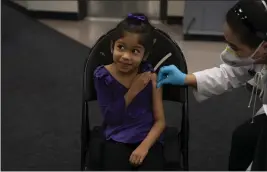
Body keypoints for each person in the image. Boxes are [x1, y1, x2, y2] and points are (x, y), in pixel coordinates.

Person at [157, 0, 267, 170]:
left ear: (264, 47)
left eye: (234, 47)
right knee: (243, 138)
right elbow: (230, 73)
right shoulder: (258, 50)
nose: (229, 52)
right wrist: (187, 79)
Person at [93, 13, 166, 170]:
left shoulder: (151, 76)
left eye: (135, 51)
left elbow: (160, 121)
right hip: (117, 136)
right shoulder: (103, 76)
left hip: (147, 137)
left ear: (144, 55)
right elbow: (111, 118)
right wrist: (133, 90)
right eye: (121, 47)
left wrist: (144, 147)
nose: (126, 56)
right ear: (112, 46)